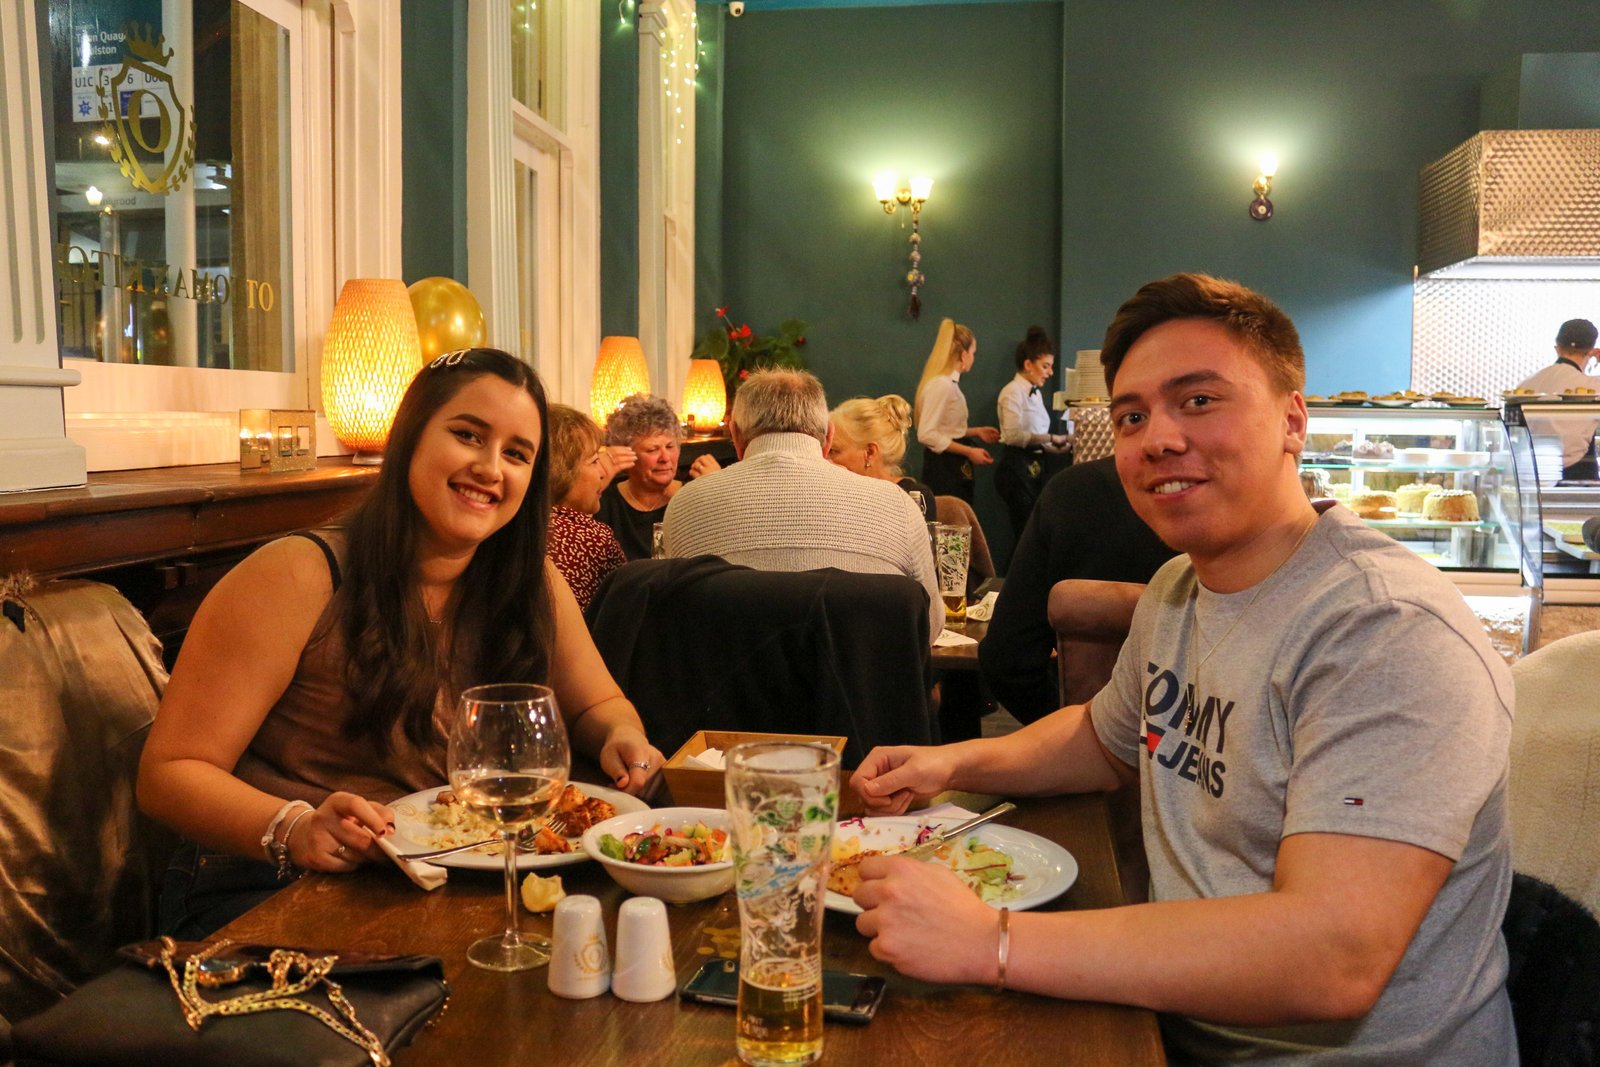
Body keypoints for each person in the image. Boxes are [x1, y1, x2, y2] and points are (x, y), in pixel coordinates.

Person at [850, 274, 1515, 1064]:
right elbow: (1101, 739)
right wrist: (950, 762)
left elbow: (1335, 954)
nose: (1157, 438)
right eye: (1132, 416)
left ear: (1292, 419)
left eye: (1198, 400)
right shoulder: (1177, 588)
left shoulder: (1384, 628)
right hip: (1173, 1026)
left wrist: (990, 940)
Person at [138, 348, 664, 938]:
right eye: (468, 435)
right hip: (271, 883)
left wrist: (622, 736)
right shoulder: (299, 575)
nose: (491, 468)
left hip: (450, 877)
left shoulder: (532, 582)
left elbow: (599, 705)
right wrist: (296, 827)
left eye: (517, 454)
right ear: (410, 437)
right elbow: (170, 773)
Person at [662, 369, 943, 643]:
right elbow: (930, 626)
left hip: (728, 674)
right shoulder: (898, 506)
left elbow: (675, 623)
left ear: (735, 435)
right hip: (860, 674)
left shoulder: (685, 506)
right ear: (828, 436)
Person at [977, 456, 1176, 725]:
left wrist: (1073, 726)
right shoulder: (1230, 509)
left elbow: (1006, 661)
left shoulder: (1073, 490)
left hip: (1084, 736)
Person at [595, 394, 720, 560]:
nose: (665, 458)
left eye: (670, 446)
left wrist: (718, 491)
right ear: (624, 453)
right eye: (652, 450)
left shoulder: (693, 497)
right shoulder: (604, 502)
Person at [546, 403, 628, 611]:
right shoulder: (593, 539)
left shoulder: (507, 526)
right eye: (594, 461)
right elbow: (628, 614)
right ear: (561, 471)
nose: (603, 472)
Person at [995, 325, 1072, 540]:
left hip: (1034, 467)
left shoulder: (1035, 393)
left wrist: (1060, 446)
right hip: (1017, 468)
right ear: (1028, 364)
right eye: (1045, 366)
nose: (1050, 373)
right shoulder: (1011, 392)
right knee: (1025, 534)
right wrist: (1053, 438)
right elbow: (1014, 436)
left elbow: (1035, 435)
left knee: (1034, 533)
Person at [914, 318, 1000, 503]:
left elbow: (945, 429)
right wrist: (969, 451)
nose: (973, 358)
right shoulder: (942, 385)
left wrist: (976, 432)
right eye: (973, 353)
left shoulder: (948, 384)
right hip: (945, 468)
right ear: (963, 354)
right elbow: (926, 434)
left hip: (952, 465)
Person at [1514, 318, 1600, 480]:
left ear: (1557, 347)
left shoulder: (1527, 384)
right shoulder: (1593, 386)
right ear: (1592, 351)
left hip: (1531, 471)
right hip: (1578, 473)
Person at [827, 393, 937, 520]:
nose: (824, 458)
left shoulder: (913, 499)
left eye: (833, 451)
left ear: (870, 452)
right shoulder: (833, 493)